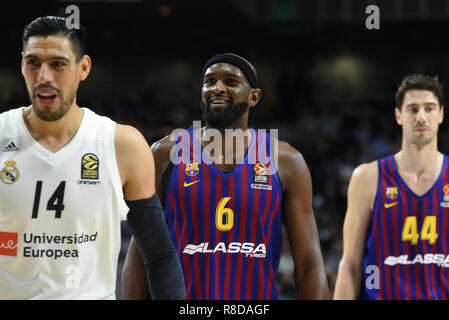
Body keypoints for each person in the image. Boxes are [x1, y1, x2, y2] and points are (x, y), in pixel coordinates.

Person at [0, 16, 185, 299]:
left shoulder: (122, 144)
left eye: (58, 64)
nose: (44, 77)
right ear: (21, 64)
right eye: (33, 63)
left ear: (83, 68)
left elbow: (159, 255)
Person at [121, 53, 329, 300]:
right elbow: (138, 255)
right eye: (209, 82)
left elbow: (308, 264)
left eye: (230, 81)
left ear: (254, 96)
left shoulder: (285, 161)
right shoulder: (166, 154)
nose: (217, 88)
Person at [334, 74, 449, 299]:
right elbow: (350, 266)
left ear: (441, 114)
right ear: (398, 115)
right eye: (413, 109)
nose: (421, 117)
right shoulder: (366, 177)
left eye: (429, 108)